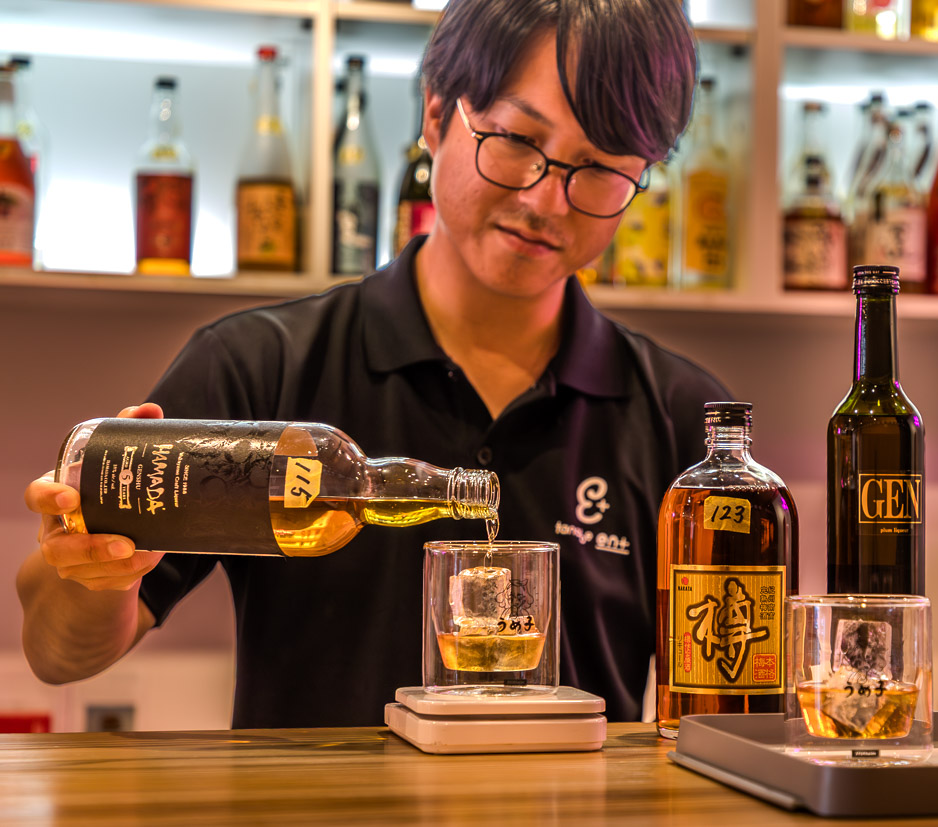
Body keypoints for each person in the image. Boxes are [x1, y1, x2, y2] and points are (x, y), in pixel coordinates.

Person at [18, 0, 728, 728]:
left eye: (602, 168)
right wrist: (92, 572)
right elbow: (58, 650)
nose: (547, 199)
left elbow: (721, 717)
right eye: (517, 139)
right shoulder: (263, 369)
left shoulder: (685, 425)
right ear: (436, 112)